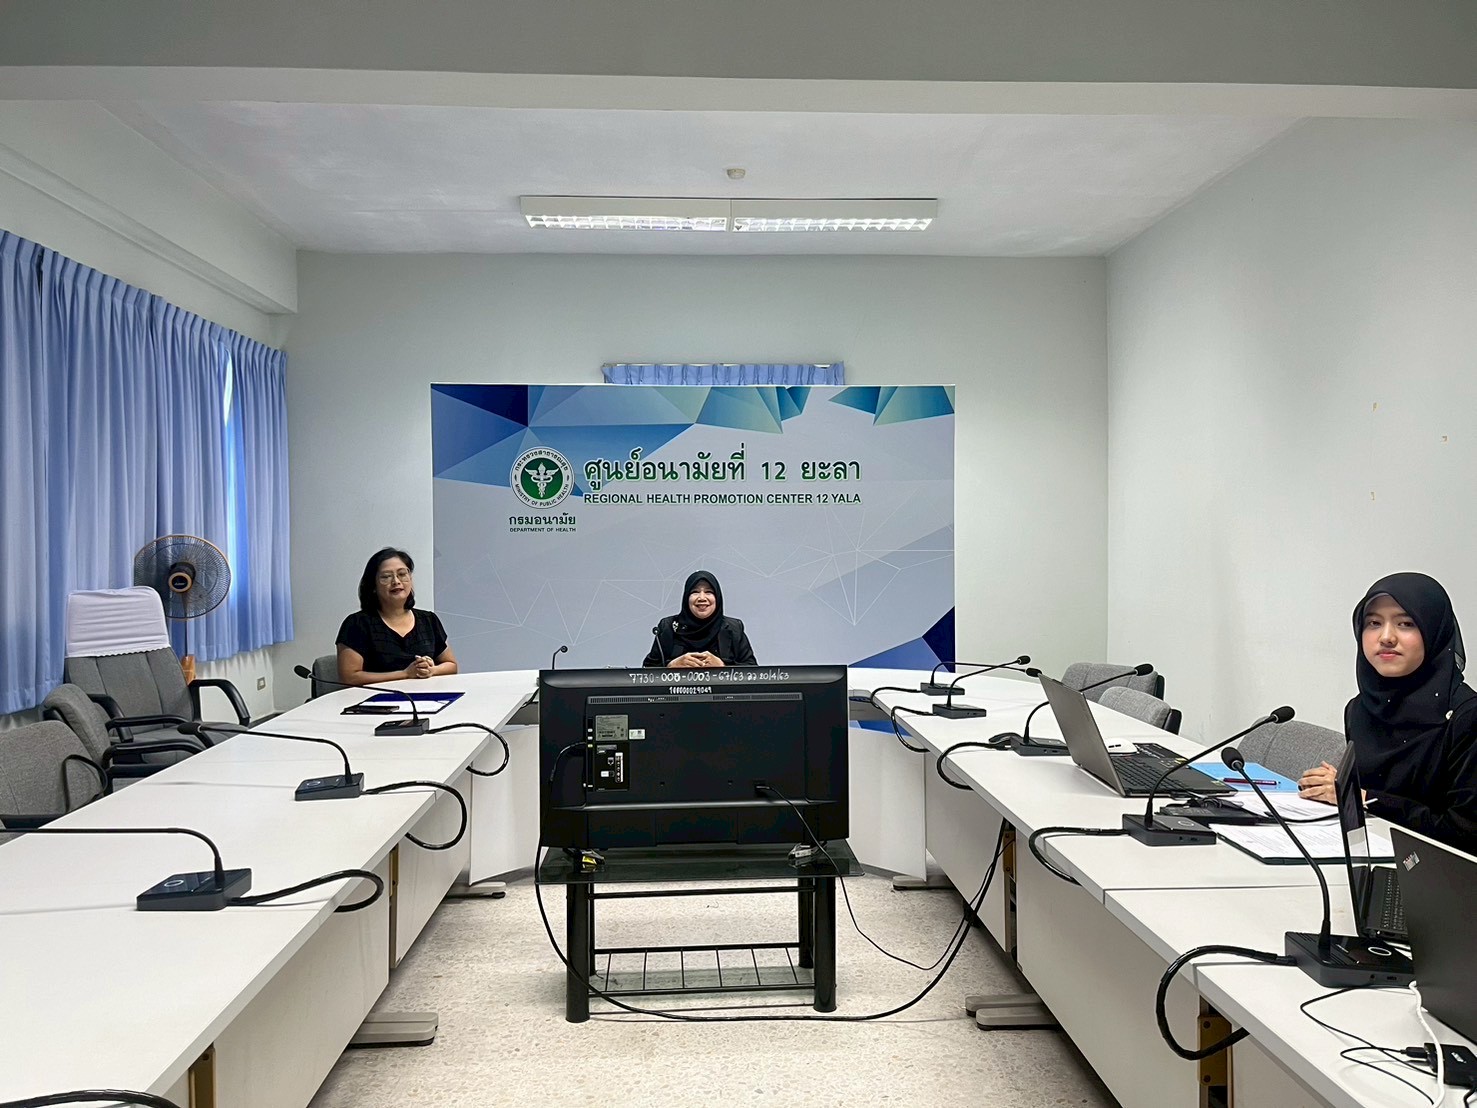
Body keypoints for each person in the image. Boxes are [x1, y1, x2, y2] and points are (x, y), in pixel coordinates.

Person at [1298, 572, 1477, 852]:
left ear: (1434, 632)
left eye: (1406, 623)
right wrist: (1343, 788)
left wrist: (1362, 797)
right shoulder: (1360, 709)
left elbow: (1464, 833)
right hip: (1368, 857)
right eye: (1374, 623)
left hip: (1441, 872)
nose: (1386, 637)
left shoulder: (1467, 717)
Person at [336, 547, 458, 685]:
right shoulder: (357, 623)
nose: (396, 581)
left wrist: (431, 670)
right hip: (377, 697)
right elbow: (349, 677)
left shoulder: (429, 620)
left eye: (402, 574)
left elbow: (451, 665)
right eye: (386, 577)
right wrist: (405, 674)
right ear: (373, 586)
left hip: (426, 695)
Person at [643, 570, 757, 668]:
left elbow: (752, 672)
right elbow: (647, 672)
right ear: (686, 598)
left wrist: (722, 666)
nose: (702, 598)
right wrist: (671, 666)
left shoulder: (734, 628)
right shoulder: (668, 626)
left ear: (717, 597)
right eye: (695, 592)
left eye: (709, 592)